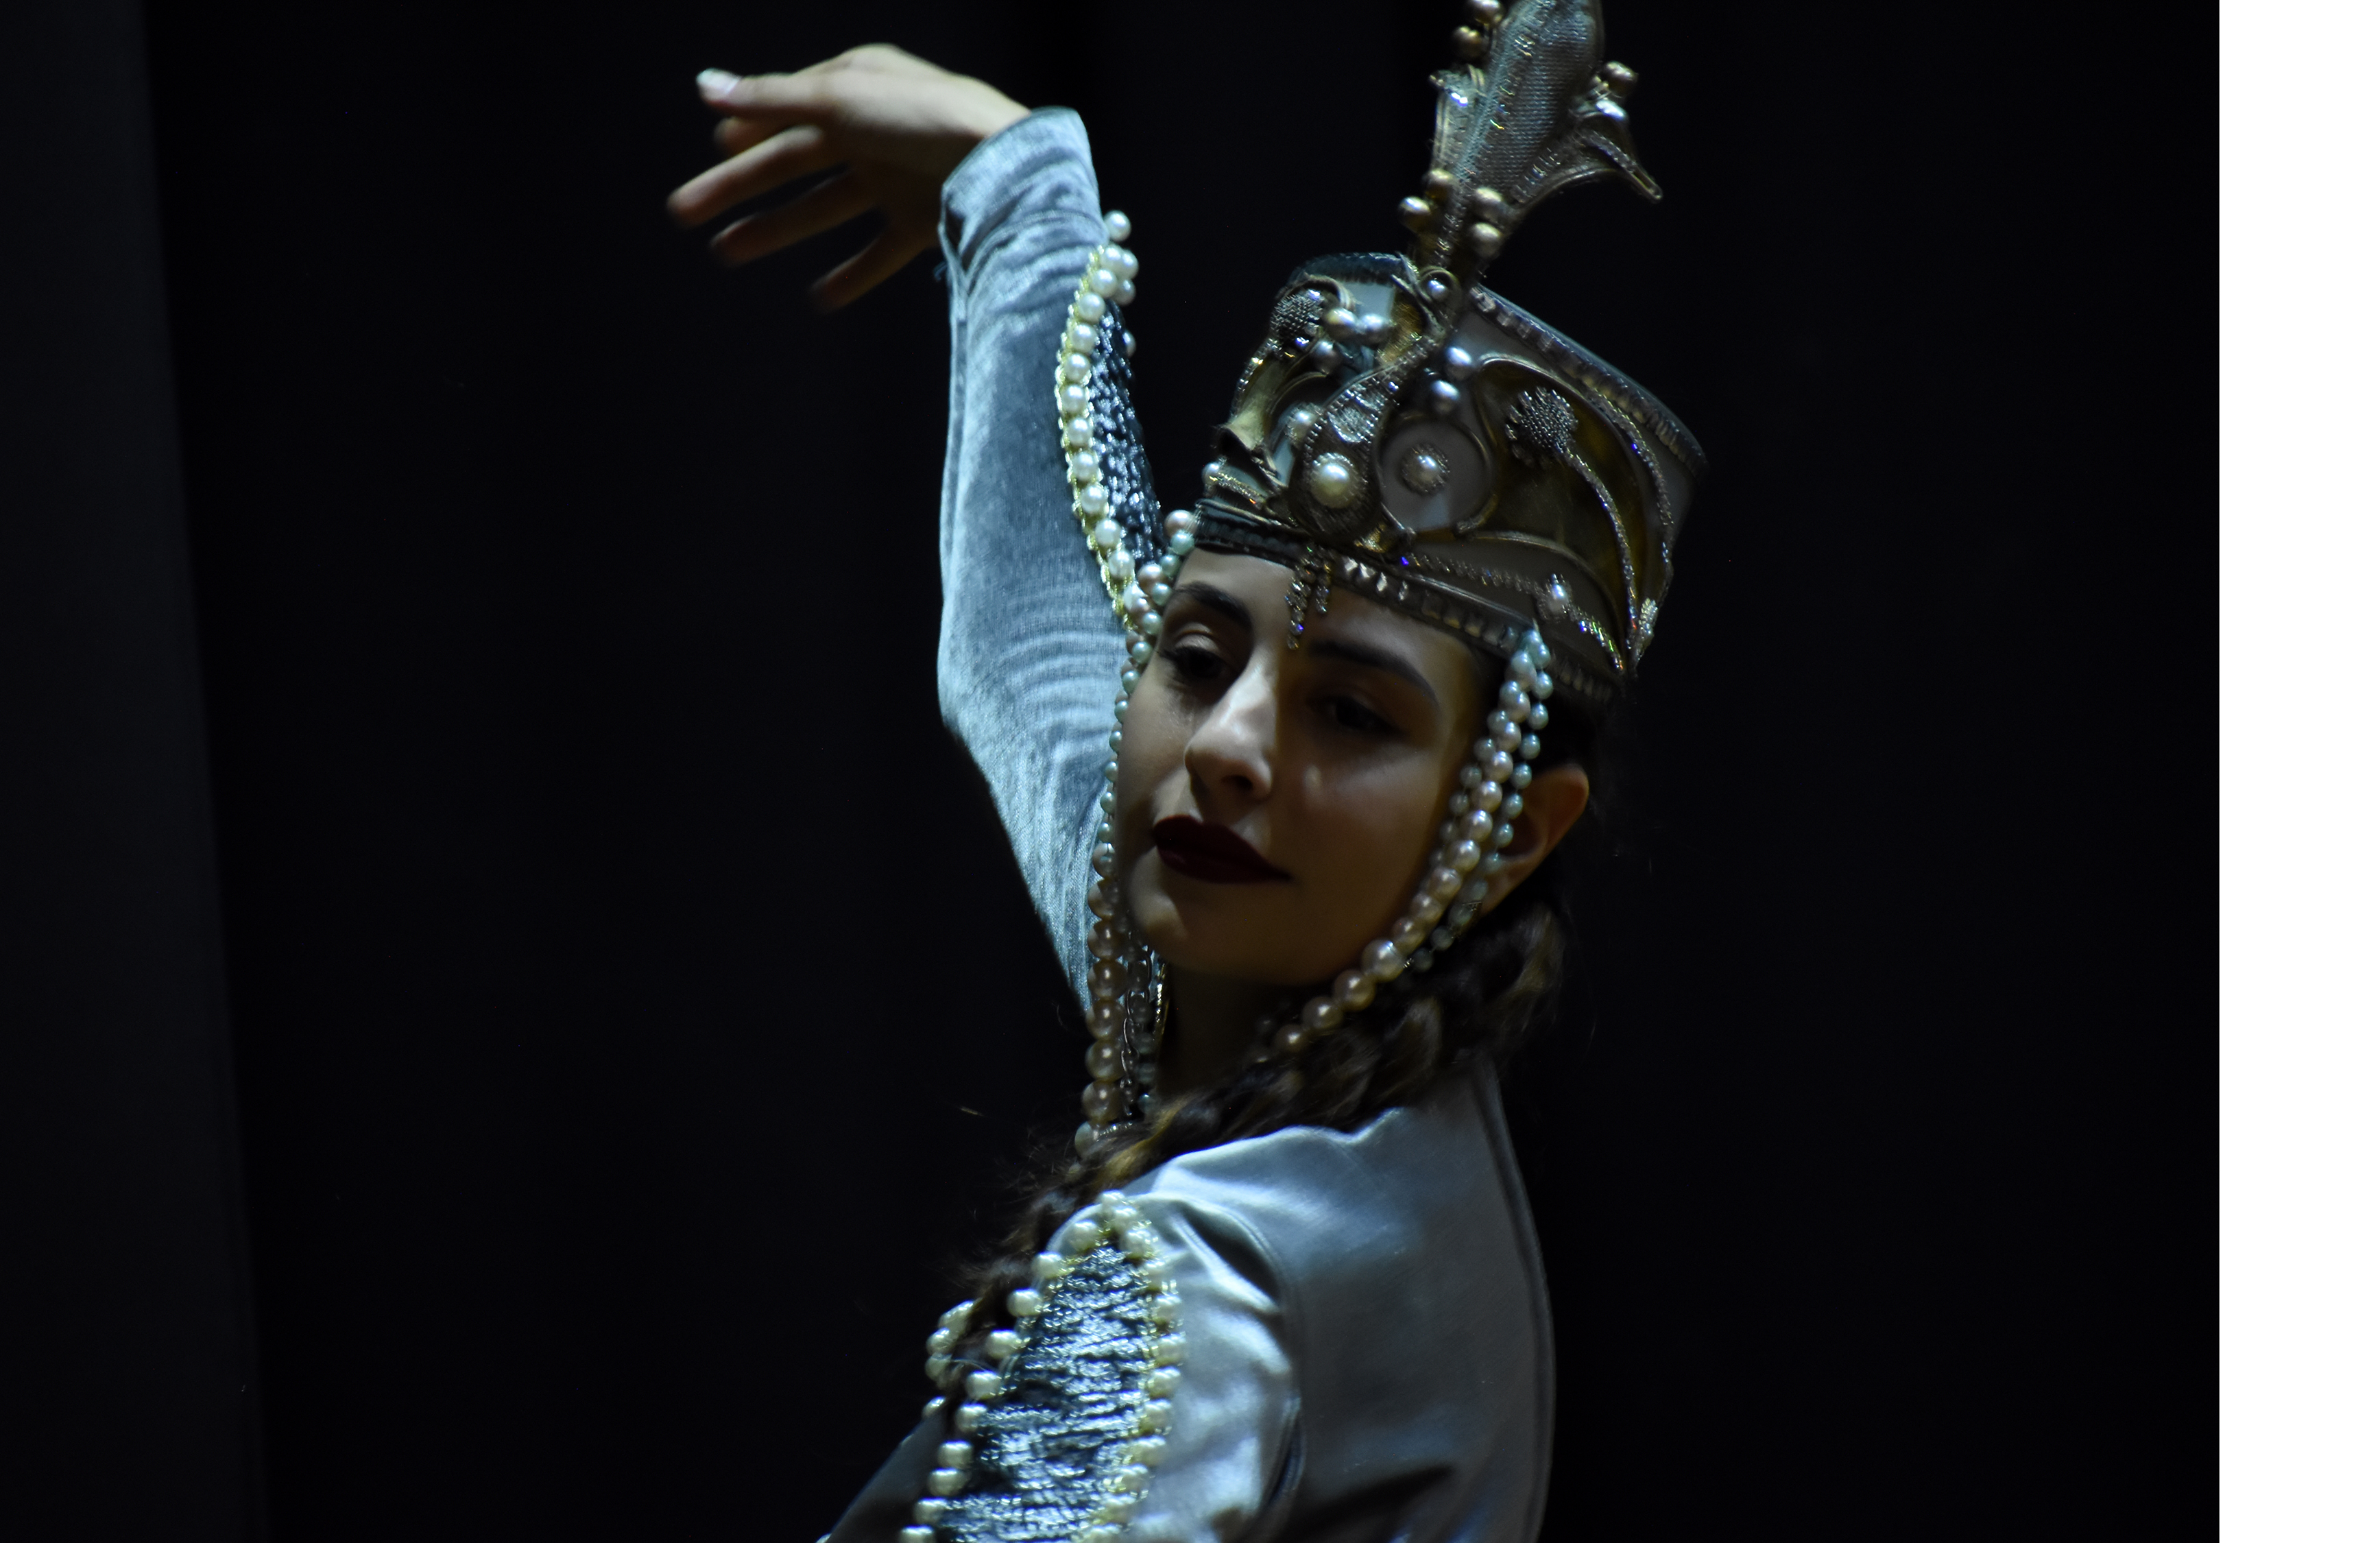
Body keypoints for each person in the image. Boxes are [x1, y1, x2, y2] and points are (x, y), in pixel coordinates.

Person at [671, 5, 1702, 1538]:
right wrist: (1015, 188)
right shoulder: (1349, 1055)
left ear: (1506, 832)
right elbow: (1035, 659)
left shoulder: (1208, 1281)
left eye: (1349, 716)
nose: (1223, 750)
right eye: (1201, 658)